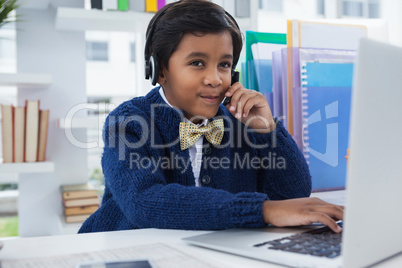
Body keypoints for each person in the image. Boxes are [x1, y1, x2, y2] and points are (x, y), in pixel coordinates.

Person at [79, 0, 343, 234]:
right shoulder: (130, 122)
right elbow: (145, 201)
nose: (215, 79)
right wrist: (260, 210)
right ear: (159, 70)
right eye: (197, 63)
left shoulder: (240, 121)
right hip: (128, 251)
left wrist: (268, 131)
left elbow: (293, 194)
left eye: (224, 65)